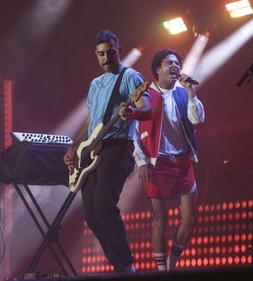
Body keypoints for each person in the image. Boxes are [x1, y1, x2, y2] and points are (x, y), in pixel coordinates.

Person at [63, 30, 152, 273]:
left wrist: (133, 113)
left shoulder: (131, 77)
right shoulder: (95, 84)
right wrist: (74, 146)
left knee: (103, 203)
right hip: (92, 150)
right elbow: (91, 122)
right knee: (91, 215)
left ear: (118, 49)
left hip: (117, 146)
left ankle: (126, 266)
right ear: (96, 55)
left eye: (110, 52)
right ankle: (120, 266)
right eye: (101, 54)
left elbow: (148, 107)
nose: (106, 58)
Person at [133, 48, 205, 271]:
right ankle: (162, 271)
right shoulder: (145, 94)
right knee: (160, 219)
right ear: (158, 68)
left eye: (177, 63)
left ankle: (174, 261)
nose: (175, 67)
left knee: (190, 217)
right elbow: (132, 132)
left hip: (182, 162)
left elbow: (198, 119)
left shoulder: (183, 92)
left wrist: (191, 92)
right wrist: (141, 161)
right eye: (169, 63)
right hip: (158, 163)